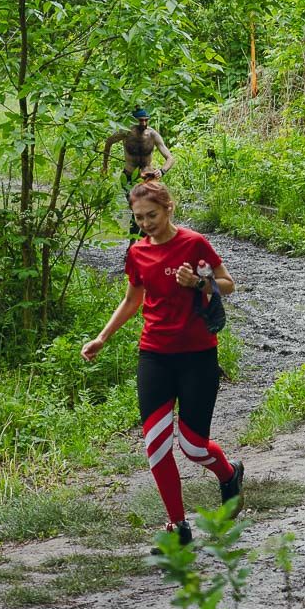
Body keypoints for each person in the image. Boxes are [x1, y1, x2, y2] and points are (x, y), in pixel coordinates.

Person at [80, 180, 243, 548]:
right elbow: (131, 300)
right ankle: (177, 526)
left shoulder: (194, 243)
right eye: (139, 218)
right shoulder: (137, 253)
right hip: (154, 354)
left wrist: (200, 282)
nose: (146, 223)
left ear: (168, 208)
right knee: (155, 443)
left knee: (193, 446)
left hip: (197, 356)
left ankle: (229, 474)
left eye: (151, 215)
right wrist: (102, 337)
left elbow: (227, 285)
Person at [102, 107, 177, 238]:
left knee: (146, 210)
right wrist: (105, 165)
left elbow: (170, 158)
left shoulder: (152, 134)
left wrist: (162, 171)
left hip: (147, 178)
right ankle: (132, 243)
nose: (143, 123)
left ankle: (142, 242)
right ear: (134, 120)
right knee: (136, 210)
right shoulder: (125, 133)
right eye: (140, 121)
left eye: (145, 120)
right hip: (129, 176)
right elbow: (108, 142)